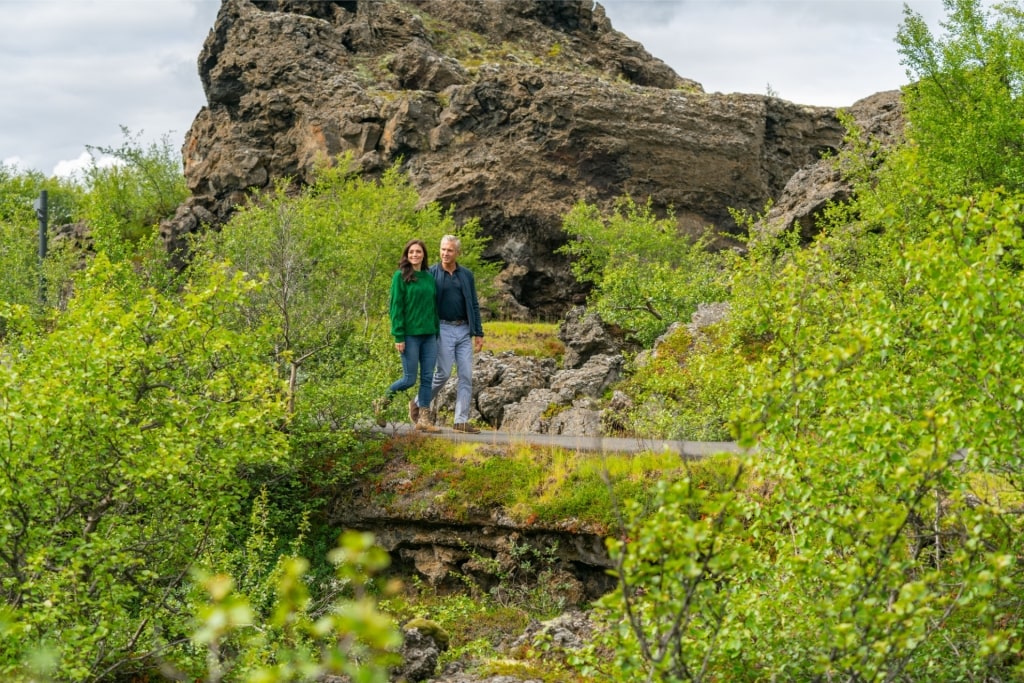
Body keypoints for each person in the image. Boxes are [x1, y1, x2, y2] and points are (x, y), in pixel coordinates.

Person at [374, 239, 441, 432]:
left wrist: (436, 330)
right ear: (407, 254)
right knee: (409, 379)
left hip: (429, 335)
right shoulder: (400, 276)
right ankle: (382, 403)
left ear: (424, 255)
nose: (415, 255)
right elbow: (396, 307)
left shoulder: (429, 277)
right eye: (411, 252)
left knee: (428, 378)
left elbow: (433, 306)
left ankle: (424, 420)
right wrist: (398, 336)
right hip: (410, 336)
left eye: (418, 252)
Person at [426, 234, 484, 433]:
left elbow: (474, 304)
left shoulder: (466, 275)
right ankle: (418, 403)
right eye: (442, 249)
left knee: (466, 375)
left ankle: (460, 420)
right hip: (442, 328)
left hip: (464, 329)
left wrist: (478, 332)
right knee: (442, 374)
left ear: (457, 252)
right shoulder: (431, 272)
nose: (445, 253)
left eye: (449, 250)